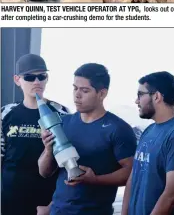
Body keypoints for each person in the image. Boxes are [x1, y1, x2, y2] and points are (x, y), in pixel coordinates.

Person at [38, 63, 137, 215]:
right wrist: (48, 149)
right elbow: (44, 172)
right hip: (58, 211)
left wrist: (95, 180)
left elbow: (131, 173)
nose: (77, 95)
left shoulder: (118, 129)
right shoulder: (63, 123)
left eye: (85, 90)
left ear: (102, 94)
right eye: (75, 88)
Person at [1, 54, 69, 215]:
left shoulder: (61, 113)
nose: (37, 82)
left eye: (41, 76)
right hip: (9, 201)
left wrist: (52, 206)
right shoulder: (5, 113)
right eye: (30, 77)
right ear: (17, 80)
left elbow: (67, 166)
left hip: (45, 202)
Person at [122, 71, 174, 215]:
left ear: (157, 96)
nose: (136, 101)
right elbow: (133, 178)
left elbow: (173, 193)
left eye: (140, 95)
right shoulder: (149, 130)